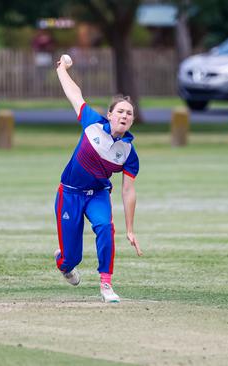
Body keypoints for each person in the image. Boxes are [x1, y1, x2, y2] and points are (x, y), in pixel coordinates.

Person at [54, 55, 142, 303]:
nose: (125, 116)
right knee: (71, 259)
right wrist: (62, 69)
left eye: (129, 114)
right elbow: (75, 93)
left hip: (98, 195)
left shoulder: (128, 152)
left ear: (131, 121)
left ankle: (106, 284)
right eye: (121, 112)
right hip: (69, 193)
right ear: (110, 114)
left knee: (105, 228)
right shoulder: (92, 122)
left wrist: (131, 229)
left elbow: (128, 191)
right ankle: (63, 261)